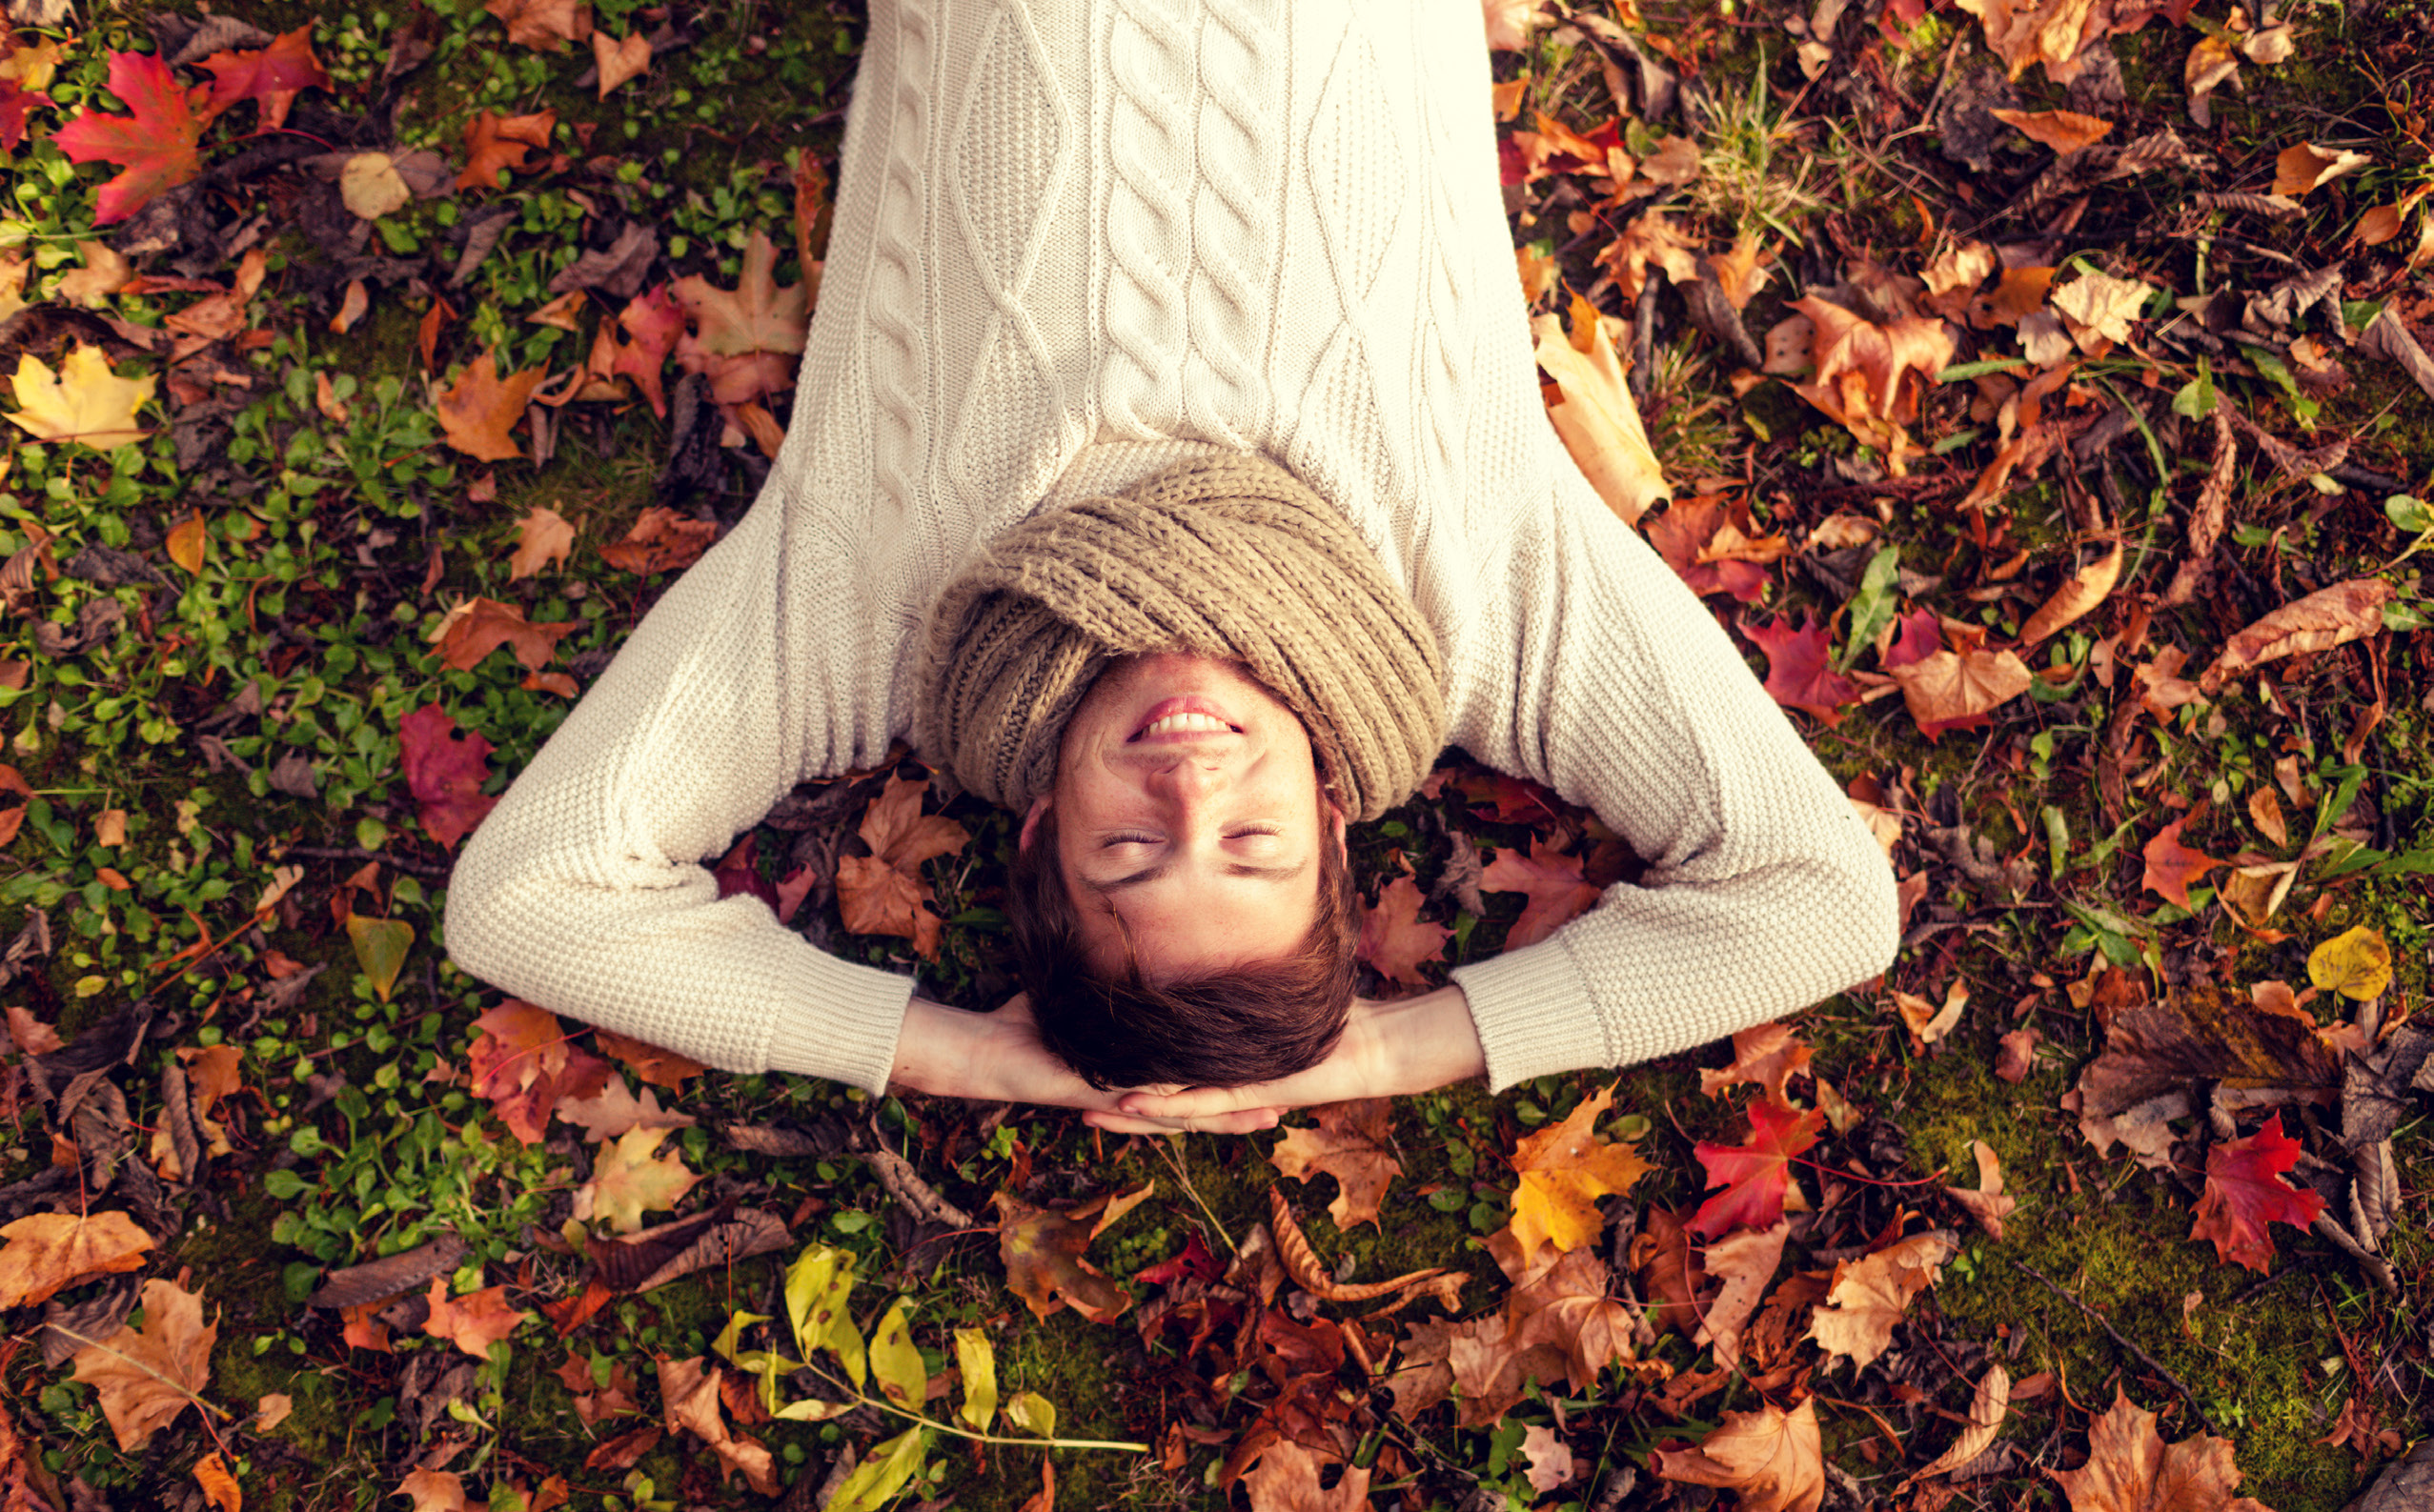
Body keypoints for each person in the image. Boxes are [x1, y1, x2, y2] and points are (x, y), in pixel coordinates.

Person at [443, 0, 1901, 1137]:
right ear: (1334, 816)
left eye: (1126, 855)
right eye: (1253, 849)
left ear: (1033, 836)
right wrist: (1387, 1051)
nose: (1187, 788)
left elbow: (533, 897)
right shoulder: (1482, 603)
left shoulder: (878, 613)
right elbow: (1815, 899)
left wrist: (951, 1053)